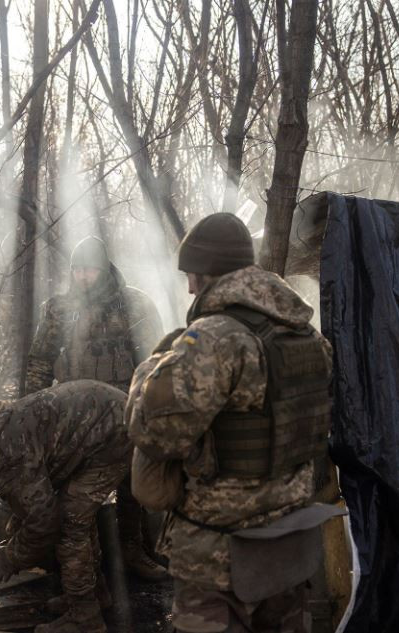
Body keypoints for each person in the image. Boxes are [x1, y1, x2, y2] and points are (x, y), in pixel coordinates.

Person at [125, 213, 335, 633]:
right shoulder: (308, 337)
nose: (188, 287)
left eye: (192, 275)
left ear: (210, 274)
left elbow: (153, 433)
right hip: (289, 542)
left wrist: (149, 372)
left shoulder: (216, 340)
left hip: (218, 555)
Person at [0, 380, 131, 633]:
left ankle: (85, 616)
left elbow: (45, 520)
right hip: (104, 421)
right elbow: (33, 495)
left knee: (70, 524)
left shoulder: (4, 453)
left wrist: (11, 558)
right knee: (76, 516)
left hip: (114, 433)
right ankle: (94, 595)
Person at [25, 235, 167, 581]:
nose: (82, 276)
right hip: (75, 417)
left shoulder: (133, 305)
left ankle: (132, 550)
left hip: (125, 411)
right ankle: (87, 568)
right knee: (78, 492)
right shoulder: (60, 310)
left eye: (89, 269)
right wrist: (31, 410)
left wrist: (150, 407)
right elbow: (41, 361)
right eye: (77, 270)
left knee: (132, 485)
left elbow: (155, 360)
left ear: (103, 269)